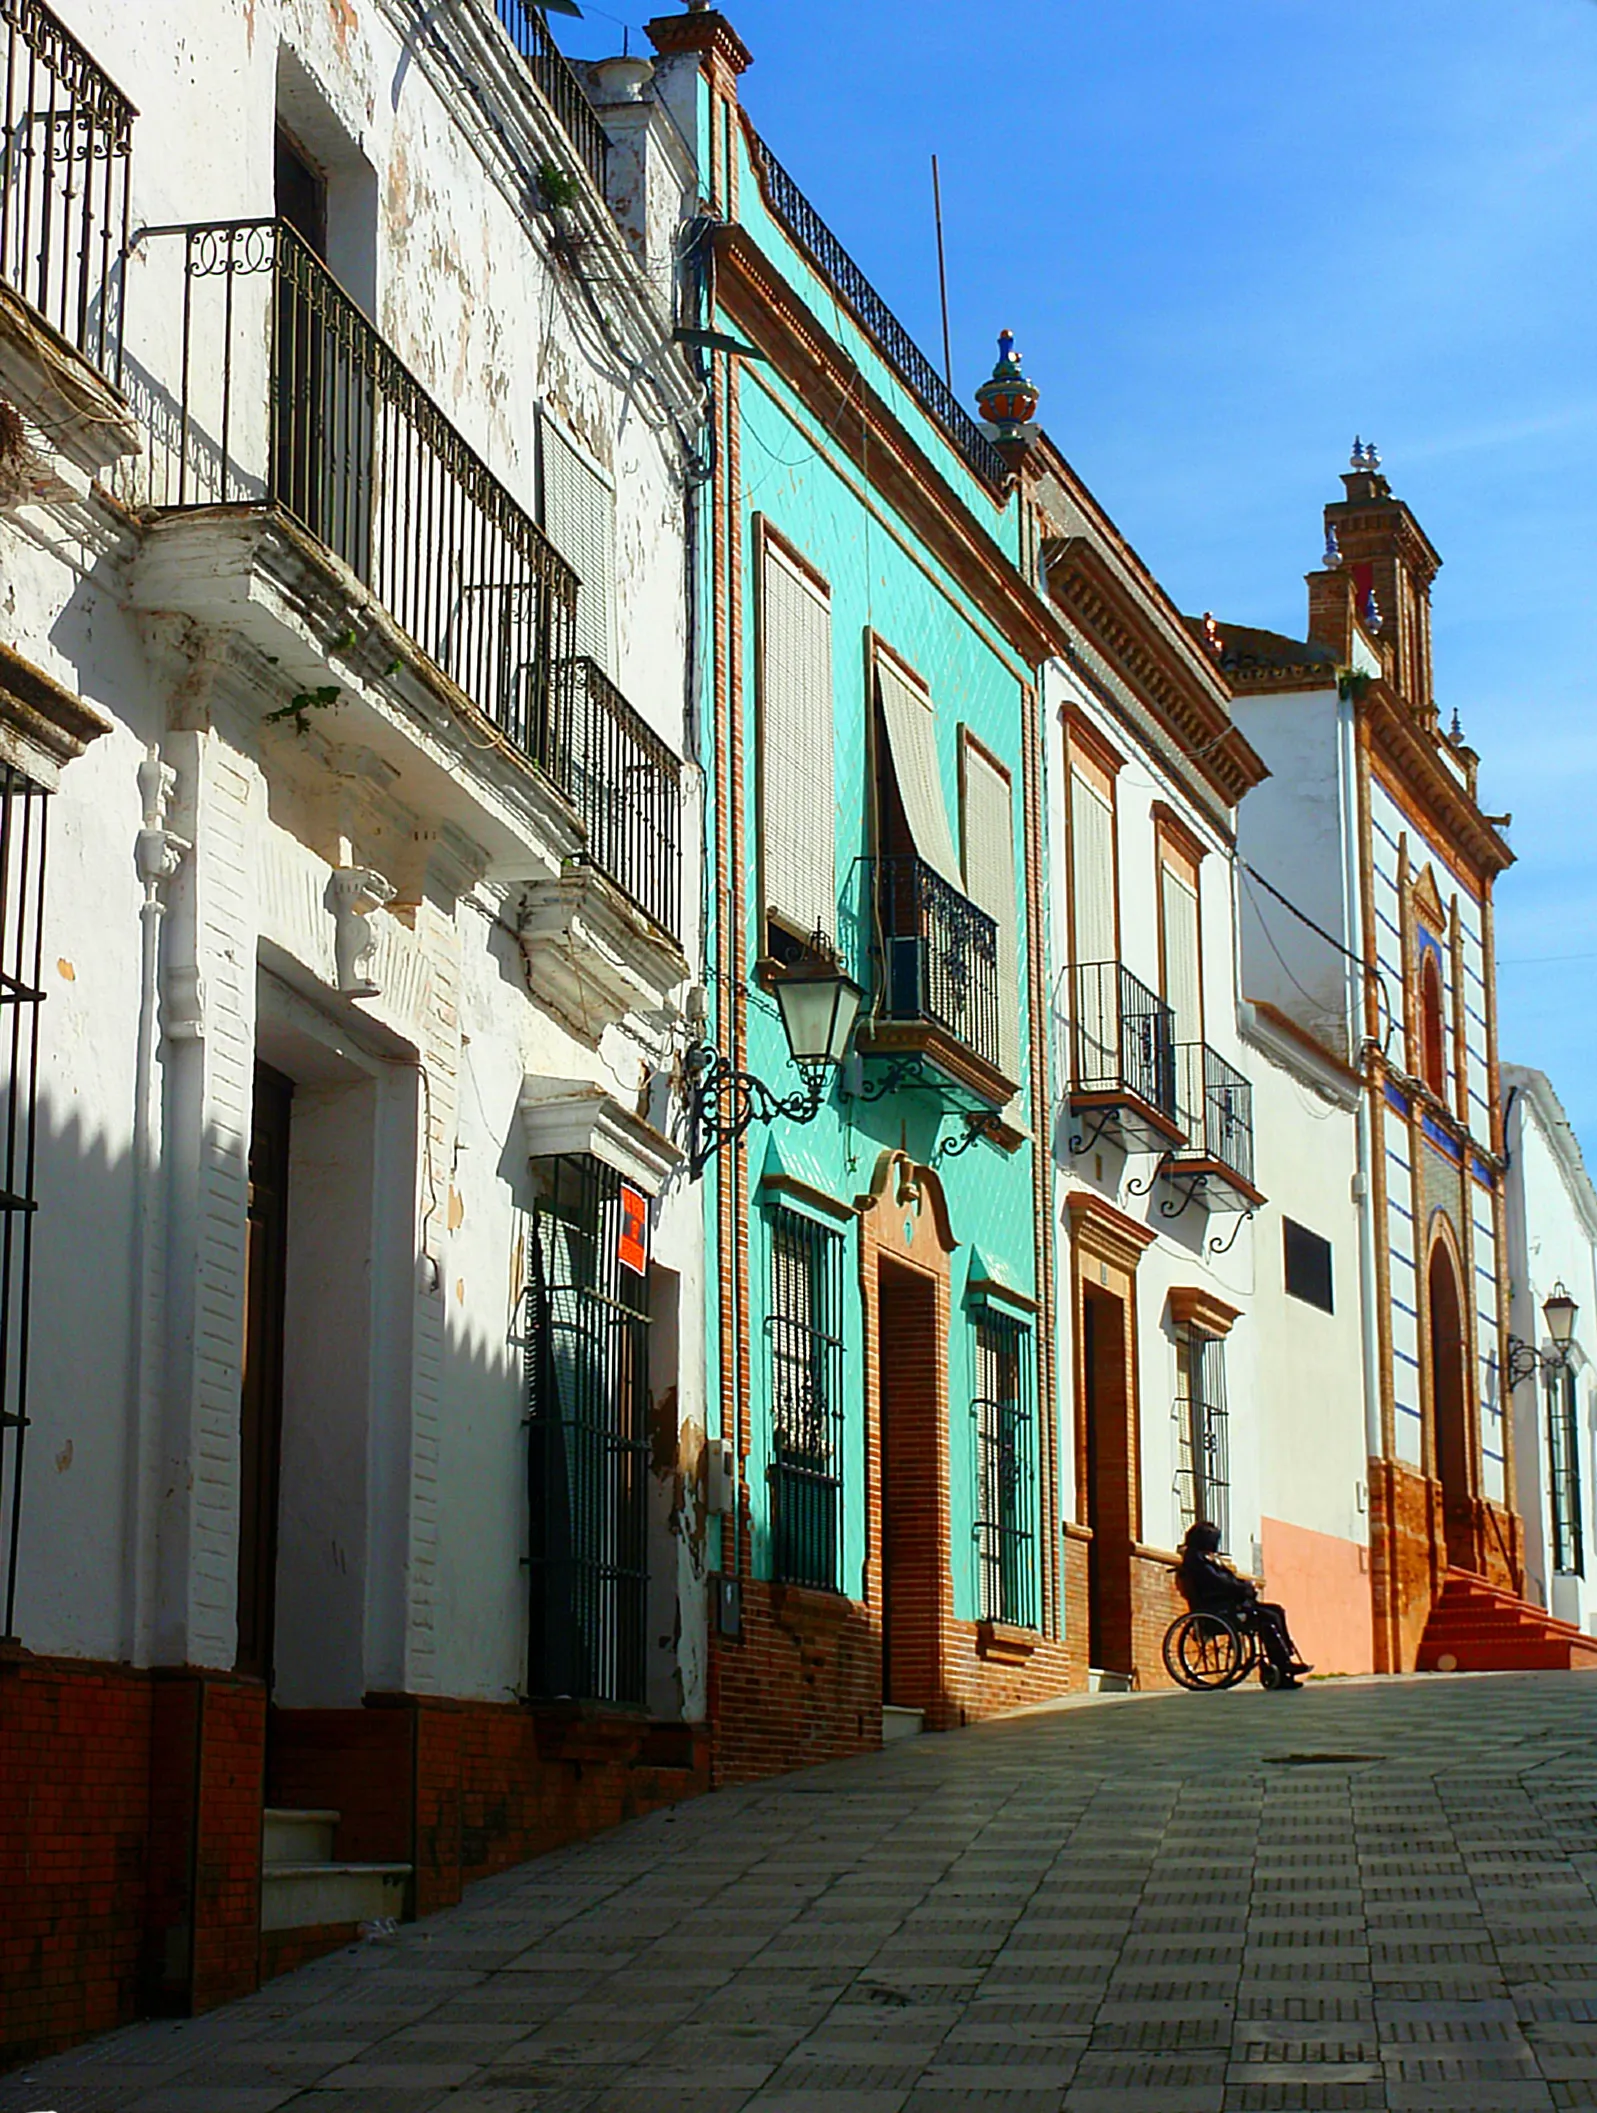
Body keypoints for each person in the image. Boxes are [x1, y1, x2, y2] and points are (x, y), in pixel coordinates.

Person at [1175, 1522, 1311, 1689]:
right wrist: (1242, 1588)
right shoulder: (1197, 1561)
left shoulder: (1202, 1558)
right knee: (1268, 1617)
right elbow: (1218, 1582)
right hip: (1219, 1609)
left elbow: (1224, 1580)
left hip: (1226, 1604)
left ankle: (1284, 1660)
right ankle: (1282, 1663)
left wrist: (1243, 1586)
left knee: (1276, 1611)